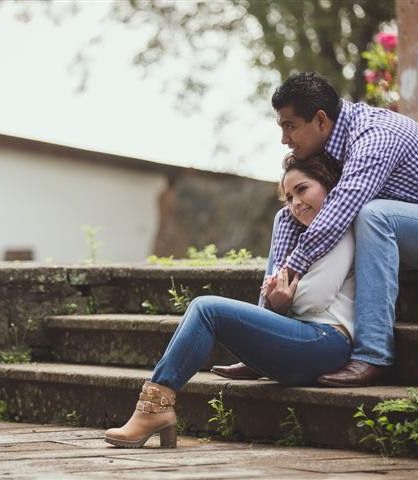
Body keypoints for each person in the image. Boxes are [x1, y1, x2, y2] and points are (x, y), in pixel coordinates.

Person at [212, 72, 418, 387]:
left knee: (373, 215)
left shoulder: (375, 136)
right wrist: (274, 299)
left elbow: (341, 209)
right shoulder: (334, 142)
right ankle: (266, 336)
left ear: (320, 120)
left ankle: (373, 356)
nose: (284, 139)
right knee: (289, 213)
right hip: (405, 234)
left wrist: (292, 268)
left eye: (289, 127)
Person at [105, 153, 353, 449]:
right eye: (288, 197)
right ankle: (155, 407)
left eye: (302, 189)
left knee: (207, 308)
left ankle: (154, 408)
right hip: (301, 340)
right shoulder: (303, 236)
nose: (295, 203)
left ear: (327, 185)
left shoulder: (340, 231)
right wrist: (278, 301)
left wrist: (282, 300)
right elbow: (280, 295)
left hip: (326, 342)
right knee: (204, 309)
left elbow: (315, 298)